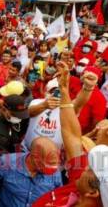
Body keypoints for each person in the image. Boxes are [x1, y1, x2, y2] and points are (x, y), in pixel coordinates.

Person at [32, 61, 108, 207]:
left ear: (93, 193)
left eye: (90, 168)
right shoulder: (82, 185)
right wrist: (63, 88)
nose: (85, 165)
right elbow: (72, 135)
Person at [0, 137, 62, 207]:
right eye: (49, 163)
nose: (54, 168)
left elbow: (60, 194)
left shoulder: (55, 174)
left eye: (55, 163)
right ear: (35, 157)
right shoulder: (8, 162)